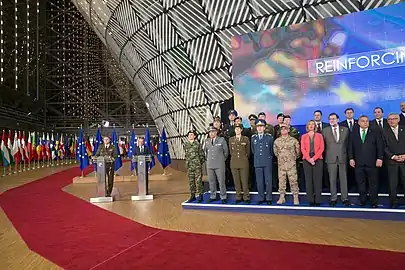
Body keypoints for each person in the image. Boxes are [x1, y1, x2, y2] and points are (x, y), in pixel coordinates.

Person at [348, 115, 383, 207]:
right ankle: (363, 201)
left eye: (367, 121)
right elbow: (350, 147)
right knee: (361, 183)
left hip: (372, 163)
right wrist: (351, 158)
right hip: (358, 163)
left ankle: (373, 202)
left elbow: (380, 146)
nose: (365, 123)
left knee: (373, 184)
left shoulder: (375, 132)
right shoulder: (354, 133)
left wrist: (380, 158)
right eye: (363, 121)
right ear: (358, 122)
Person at [322, 113, 350, 206]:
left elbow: (348, 145)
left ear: (338, 119)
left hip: (342, 157)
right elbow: (323, 146)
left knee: (344, 179)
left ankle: (344, 198)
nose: (332, 120)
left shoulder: (345, 130)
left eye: (334, 119)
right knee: (332, 179)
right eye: (330, 119)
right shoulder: (325, 131)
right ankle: (333, 198)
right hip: (330, 158)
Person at [273, 125, 301, 205]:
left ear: (288, 130)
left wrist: (292, 158)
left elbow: (298, 153)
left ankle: (295, 197)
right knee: (281, 181)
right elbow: (276, 152)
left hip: (291, 164)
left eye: (285, 129)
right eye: (282, 129)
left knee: (293, 181)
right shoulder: (277, 141)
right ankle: (282, 197)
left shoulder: (294, 140)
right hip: (281, 165)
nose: (283, 131)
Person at [383, 113, 405, 208]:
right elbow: (383, 146)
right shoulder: (384, 131)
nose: (392, 121)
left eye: (394, 118)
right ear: (387, 121)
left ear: (398, 120)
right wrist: (392, 156)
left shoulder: (404, 129)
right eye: (390, 119)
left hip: (404, 160)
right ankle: (393, 202)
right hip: (392, 161)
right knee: (393, 183)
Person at [301, 120, 324, 206]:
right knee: (308, 180)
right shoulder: (303, 136)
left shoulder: (320, 136)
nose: (311, 126)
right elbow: (303, 149)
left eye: (312, 124)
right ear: (307, 126)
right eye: (309, 124)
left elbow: (321, 148)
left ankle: (318, 200)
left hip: (318, 159)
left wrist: (314, 158)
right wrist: (309, 159)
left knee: (317, 180)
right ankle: (310, 200)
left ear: (315, 126)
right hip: (306, 160)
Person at [204, 126, 229, 203]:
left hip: (219, 164)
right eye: (210, 132)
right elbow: (205, 152)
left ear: (216, 132)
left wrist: (221, 160)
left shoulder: (221, 140)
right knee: (211, 181)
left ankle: (223, 197)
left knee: (221, 181)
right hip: (210, 164)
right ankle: (213, 195)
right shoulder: (207, 141)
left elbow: (226, 152)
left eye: (213, 132)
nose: (211, 133)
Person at [251, 119, 273, 204]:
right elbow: (253, 150)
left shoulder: (269, 137)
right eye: (258, 127)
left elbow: (271, 150)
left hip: (267, 161)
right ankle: (261, 198)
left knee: (268, 180)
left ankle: (269, 198)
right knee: (259, 181)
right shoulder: (253, 138)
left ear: (264, 128)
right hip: (257, 162)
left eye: (261, 126)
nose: (259, 128)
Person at [229, 124, 250, 203]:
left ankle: (246, 197)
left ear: (241, 130)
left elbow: (248, 152)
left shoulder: (245, 139)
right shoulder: (231, 139)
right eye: (236, 129)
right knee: (236, 181)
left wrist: (244, 158)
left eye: (239, 129)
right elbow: (231, 151)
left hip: (243, 162)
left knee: (244, 180)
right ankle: (238, 196)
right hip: (234, 162)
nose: (237, 130)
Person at [183, 130, 205, 203]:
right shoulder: (186, 145)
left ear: (194, 136)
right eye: (189, 135)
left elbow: (202, 155)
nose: (190, 136)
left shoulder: (198, 144)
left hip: (197, 165)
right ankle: (192, 195)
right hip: (189, 166)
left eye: (192, 135)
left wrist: (198, 163)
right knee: (191, 181)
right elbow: (186, 155)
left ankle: (200, 195)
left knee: (198, 181)